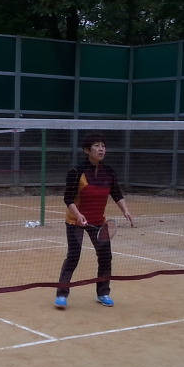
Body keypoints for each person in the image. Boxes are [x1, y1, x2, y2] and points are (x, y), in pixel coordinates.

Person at [55, 132, 133, 309]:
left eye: (103, 146)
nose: (101, 149)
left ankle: (103, 293)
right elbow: (68, 199)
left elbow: (116, 193)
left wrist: (125, 210)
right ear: (86, 150)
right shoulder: (76, 172)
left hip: (98, 222)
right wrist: (78, 215)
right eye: (97, 146)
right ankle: (61, 294)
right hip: (76, 221)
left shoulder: (109, 172)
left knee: (105, 256)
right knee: (73, 256)